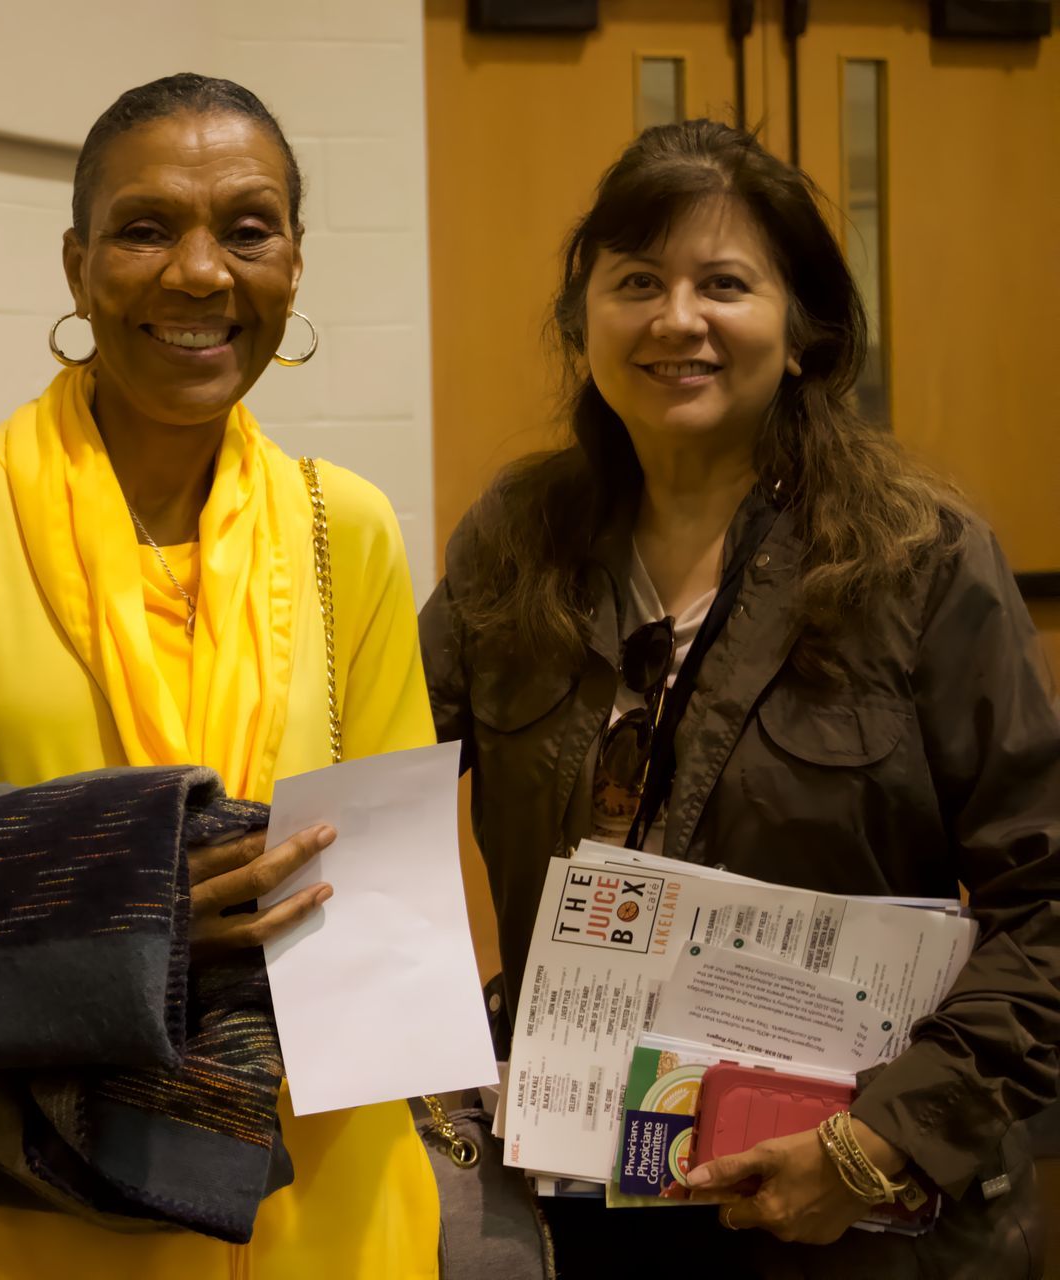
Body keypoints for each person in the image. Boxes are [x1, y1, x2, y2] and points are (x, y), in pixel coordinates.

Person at [0, 74, 442, 1279]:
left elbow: (389, 880)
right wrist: (130, 919)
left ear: (295, 265)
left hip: (316, 1196)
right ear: (78, 265)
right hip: (20, 1212)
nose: (200, 272)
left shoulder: (340, 527)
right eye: (147, 227)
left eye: (248, 229)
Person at [421, 119, 1059, 1277]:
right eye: (635, 283)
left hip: (855, 1217)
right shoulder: (511, 547)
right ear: (583, 323)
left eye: (724, 284)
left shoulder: (919, 557)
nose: (677, 320)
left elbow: (1050, 895)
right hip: (576, 1206)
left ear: (804, 329)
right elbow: (375, 802)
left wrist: (882, 1141)